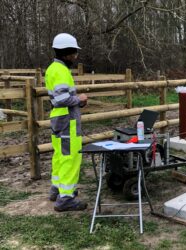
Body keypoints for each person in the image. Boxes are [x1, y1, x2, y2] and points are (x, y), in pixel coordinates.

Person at [45, 33, 88, 212]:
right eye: (74, 53)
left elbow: (56, 97)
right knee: (70, 157)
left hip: (57, 118)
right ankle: (66, 199)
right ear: (66, 53)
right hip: (67, 120)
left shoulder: (52, 69)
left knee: (59, 156)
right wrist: (79, 99)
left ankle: (57, 189)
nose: (76, 56)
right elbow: (63, 98)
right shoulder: (61, 71)